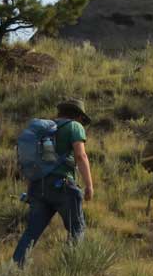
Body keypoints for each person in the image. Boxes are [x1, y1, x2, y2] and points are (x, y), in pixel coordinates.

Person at [13, 99, 94, 266]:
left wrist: (30, 190)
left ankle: (14, 271)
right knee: (77, 230)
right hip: (63, 186)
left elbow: (32, 163)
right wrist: (89, 185)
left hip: (38, 187)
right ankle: (72, 270)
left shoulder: (44, 131)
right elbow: (80, 156)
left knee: (31, 233)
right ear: (78, 116)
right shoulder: (74, 126)